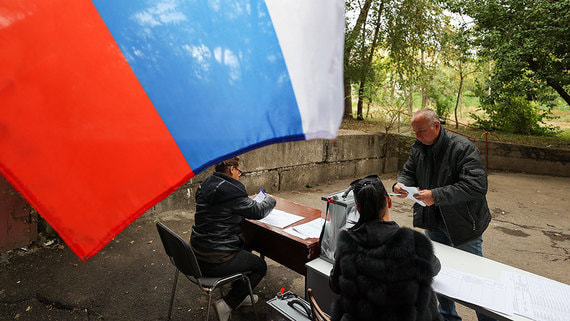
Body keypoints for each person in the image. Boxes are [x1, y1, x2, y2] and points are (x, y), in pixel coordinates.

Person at [393, 109, 494, 321]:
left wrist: (436, 195)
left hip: (465, 224)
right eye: (415, 132)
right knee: (439, 273)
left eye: (421, 131)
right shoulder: (419, 147)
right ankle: (448, 317)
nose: (417, 136)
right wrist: (401, 184)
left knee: (475, 278)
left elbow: (476, 185)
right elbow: (409, 171)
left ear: (436, 126)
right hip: (433, 221)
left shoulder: (463, 148)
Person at [329, 175, 442, 321]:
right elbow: (434, 268)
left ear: (357, 208)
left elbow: (335, 285)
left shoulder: (347, 243)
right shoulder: (412, 243)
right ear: (389, 201)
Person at [190, 156, 276, 321]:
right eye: (239, 171)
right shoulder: (231, 191)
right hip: (216, 259)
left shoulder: (205, 184)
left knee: (245, 246)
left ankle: (241, 295)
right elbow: (258, 211)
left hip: (198, 252)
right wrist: (270, 200)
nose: (239, 174)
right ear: (231, 169)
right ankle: (228, 303)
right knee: (260, 266)